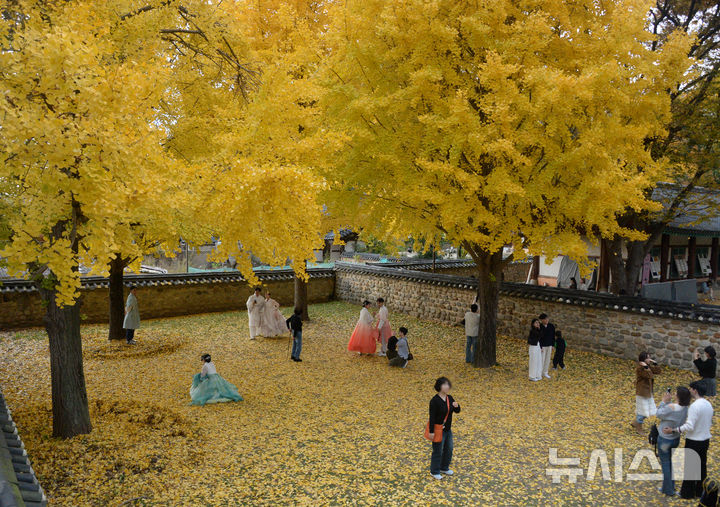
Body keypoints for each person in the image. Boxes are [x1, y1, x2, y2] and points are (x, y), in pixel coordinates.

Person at [663, 380, 714, 499]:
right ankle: (700, 490)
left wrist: (674, 430)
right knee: (702, 466)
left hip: (694, 440)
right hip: (705, 439)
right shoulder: (708, 404)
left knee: (690, 468)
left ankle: (687, 493)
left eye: (691, 389)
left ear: (695, 390)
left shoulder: (694, 406)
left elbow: (689, 426)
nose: (690, 391)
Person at [656, 386, 691, 497]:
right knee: (671, 462)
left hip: (665, 439)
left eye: (676, 393)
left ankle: (668, 489)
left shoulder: (671, 407)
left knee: (665, 464)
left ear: (678, 396)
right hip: (675, 438)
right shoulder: (685, 408)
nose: (674, 393)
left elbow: (659, 414)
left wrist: (663, 402)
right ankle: (670, 486)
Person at [428, 377, 461, 480]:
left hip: (447, 429)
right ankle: (434, 471)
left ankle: (444, 467)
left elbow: (457, 411)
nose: (447, 387)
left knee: (449, 448)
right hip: (438, 429)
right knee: (438, 450)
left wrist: (457, 406)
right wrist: (431, 431)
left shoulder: (449, 398)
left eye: (448, 384)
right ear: (439, 386)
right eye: (445, 384)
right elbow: (432, 417)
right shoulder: (434, 401)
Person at [632, 351, 661, 434]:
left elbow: (658, 371)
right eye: (648, 358)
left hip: (648, 392)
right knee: (643, 411)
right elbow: (649, 375)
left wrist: (655, 364)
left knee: (648, 410)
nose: (649, 359)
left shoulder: (647, 367)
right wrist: (645, 367)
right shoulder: (640, 368)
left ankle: (635, 422)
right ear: (643, 359)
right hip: (642, 392)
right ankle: (638, 427)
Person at [539, 313, 555, 379]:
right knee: (542, 359)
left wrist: (553, 345)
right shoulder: (540, 327)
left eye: (547, 319)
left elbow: (553, 336)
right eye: (545, 319)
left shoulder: (551, 326)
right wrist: (540, 346)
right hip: (543, 346)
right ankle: (539, 372)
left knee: (547, 359)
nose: (546, 320)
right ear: (542, 320)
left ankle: (545, 372)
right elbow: (539, 337)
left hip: (549, 345)